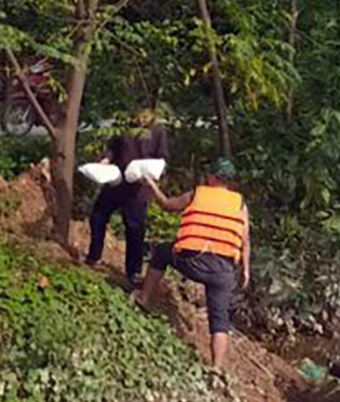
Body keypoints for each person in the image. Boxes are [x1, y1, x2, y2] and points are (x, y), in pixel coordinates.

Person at [133, 158, 249, 370]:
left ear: (212, 177)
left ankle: (143, 297)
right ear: (229, 181)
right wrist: (246, 271)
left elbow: (167, 205)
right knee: (219, 318)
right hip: (222, 272)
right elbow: (244, 240)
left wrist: (152, 186)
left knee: (160, 252)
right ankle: (216, 367)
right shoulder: (240, 203)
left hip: (191, 261)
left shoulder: (197, 194)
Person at [82, 109, 169, 287]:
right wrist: (106, 160)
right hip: (117, 181)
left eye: (145, 117)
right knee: (98, 215)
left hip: (139, 189)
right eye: (138, 116)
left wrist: (151, 178)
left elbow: (162, 160)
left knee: (135, 229)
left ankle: (133, 272)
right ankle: (94, 256)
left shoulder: (158, 131)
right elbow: (112, 148)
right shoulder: (123, 126)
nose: (141, 120)